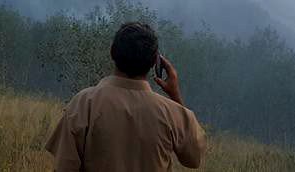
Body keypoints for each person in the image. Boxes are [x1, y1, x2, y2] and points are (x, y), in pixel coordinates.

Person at [45, 22, 206, 171]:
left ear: (112, 52)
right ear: (154, 63)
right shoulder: (171, 113)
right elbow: (194, 159)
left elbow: (64, 167)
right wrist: (175, 94)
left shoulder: (83, 103)